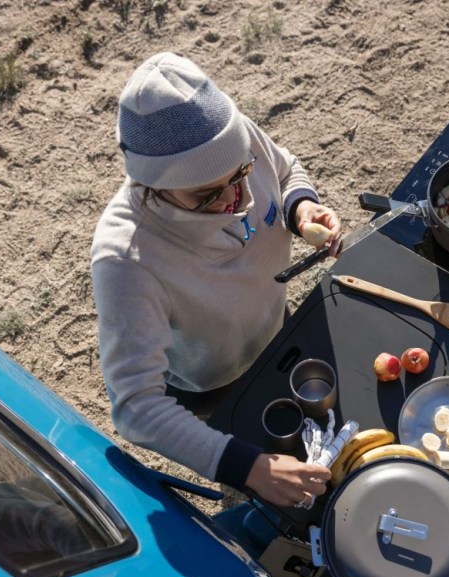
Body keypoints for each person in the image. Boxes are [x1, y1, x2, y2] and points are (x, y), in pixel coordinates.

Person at [91, 52, 340, 508]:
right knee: (254, 465)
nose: (237, 199)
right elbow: (136, 405)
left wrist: (300, 208)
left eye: (241, 174)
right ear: (152, 185)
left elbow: (283, 170)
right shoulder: (127, 260)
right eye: (206, 194)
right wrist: (246, 468)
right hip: (211, 382)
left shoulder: (234, 144)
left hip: (274, 329)